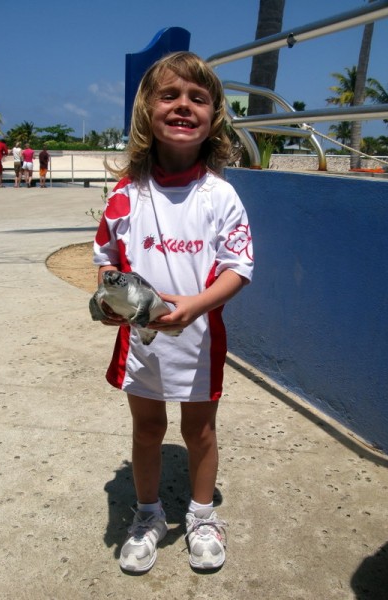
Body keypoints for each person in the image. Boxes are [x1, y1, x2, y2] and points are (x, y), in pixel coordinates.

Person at [93, 51, 254, 573]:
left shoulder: (221, 196)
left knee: (200, 432)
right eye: (170, 95)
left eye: (198, 98)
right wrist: (109, 304)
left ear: (213, 117)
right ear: (147, 111)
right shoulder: (124, 196)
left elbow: (239, 267)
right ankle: (148, 512)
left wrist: (195, 307)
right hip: (140, 345)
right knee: (145, 430)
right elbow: (107, 264)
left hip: (200, 340)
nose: (184, 106)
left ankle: (203, 516)